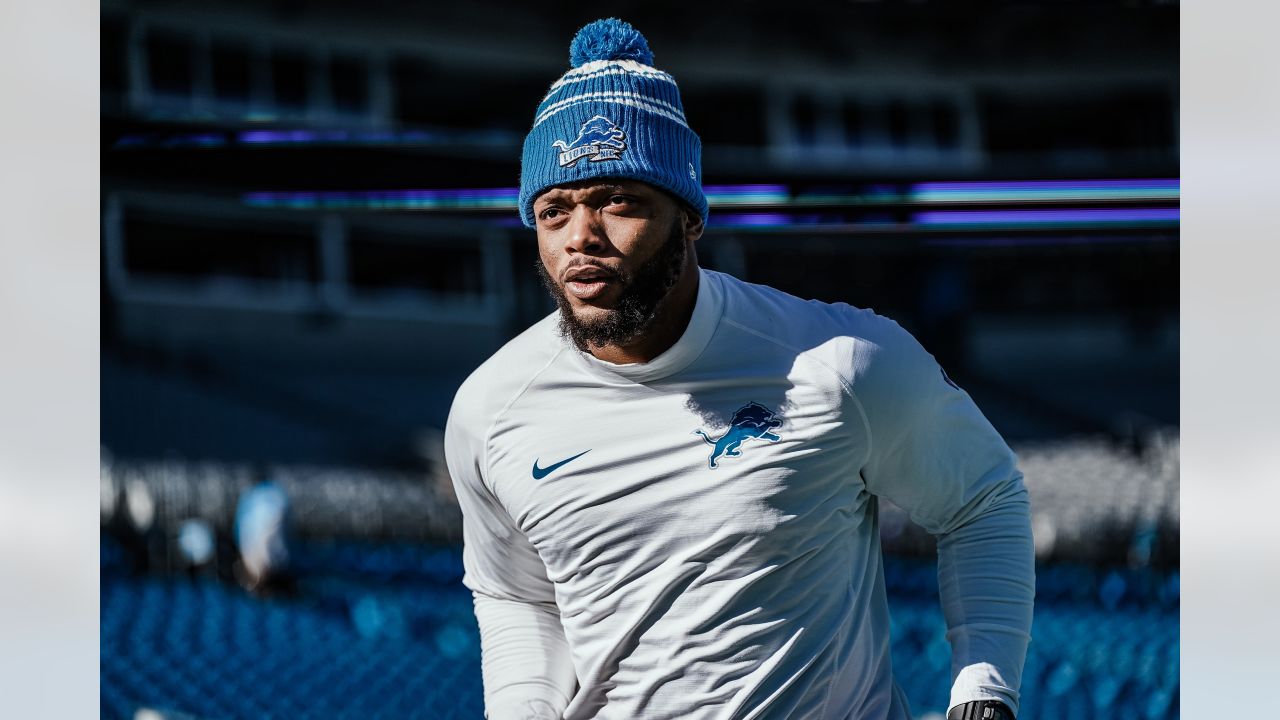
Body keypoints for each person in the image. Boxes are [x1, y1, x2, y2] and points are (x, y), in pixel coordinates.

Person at [445, 18, 1033, 720]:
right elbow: (518, 594)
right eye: (554, 211)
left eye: (618, 202)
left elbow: (985, 499)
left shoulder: (841, 361)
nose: (581, 238)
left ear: (688, 216)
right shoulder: (491, 411)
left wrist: (983, 692)